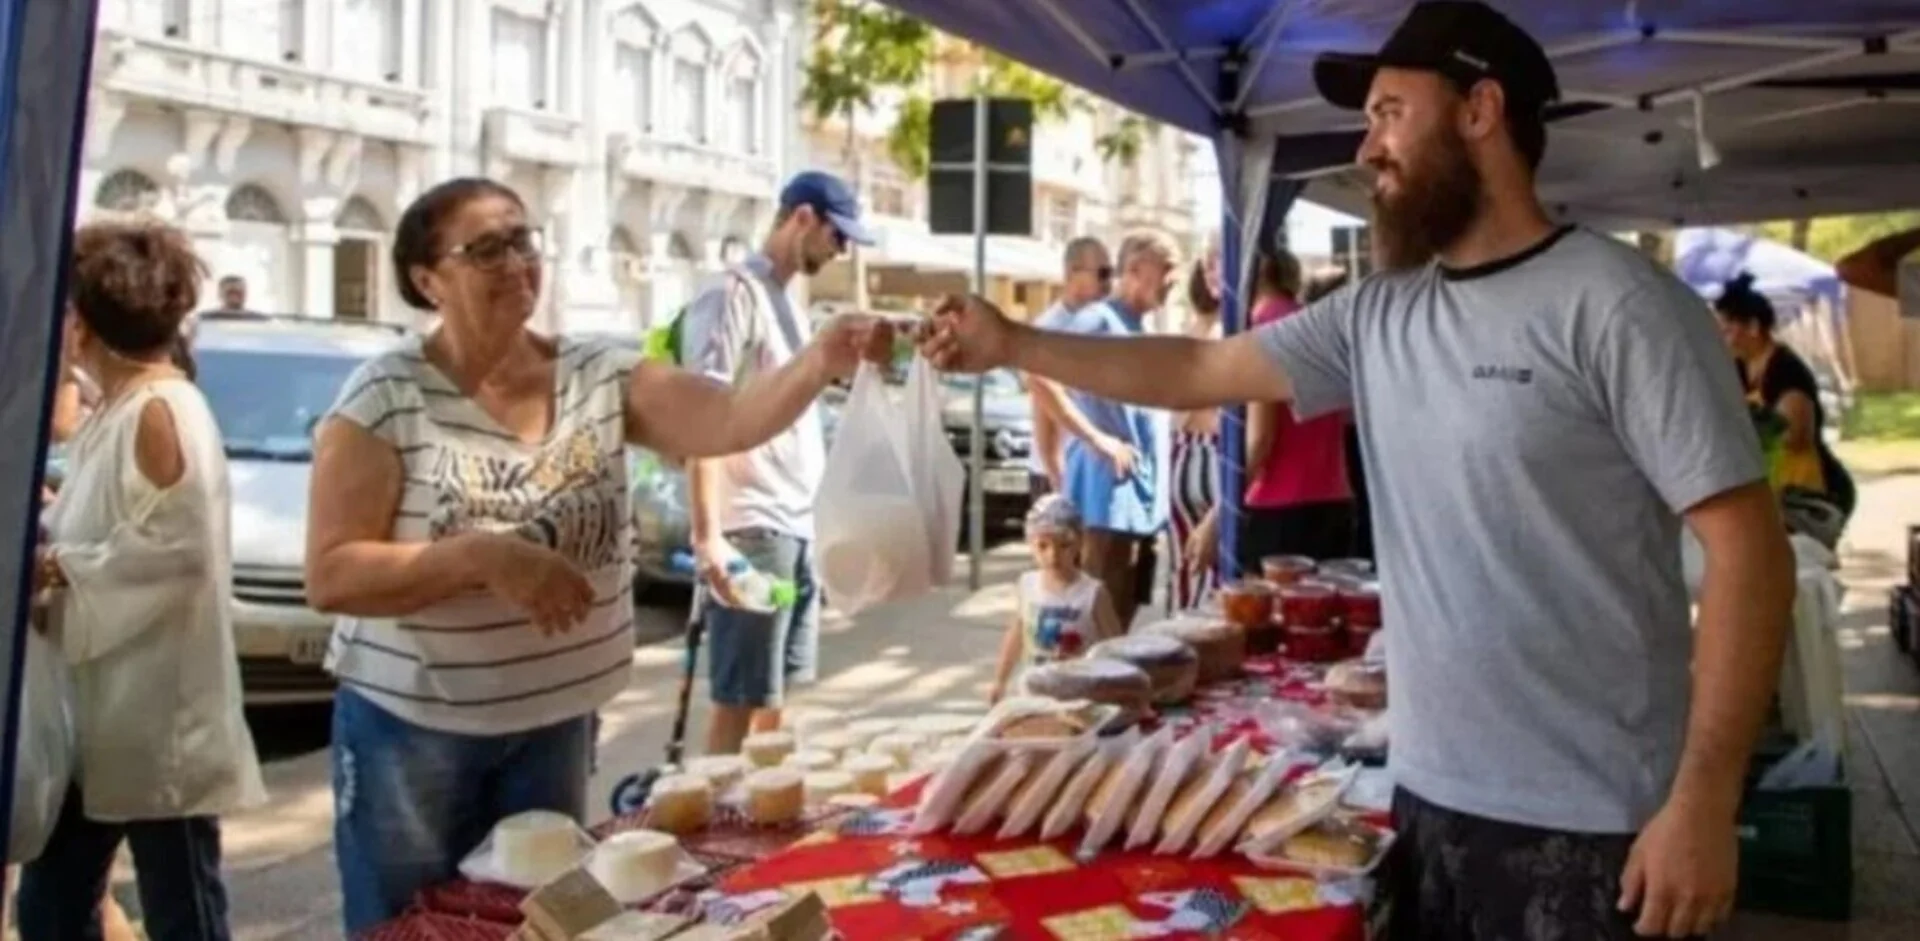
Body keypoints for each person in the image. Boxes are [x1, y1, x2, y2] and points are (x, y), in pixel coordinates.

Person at [917, 3, 1796, 938]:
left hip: (1599, 821)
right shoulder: (1378, 314)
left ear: (1479, 110)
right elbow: (1197, 369)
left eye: (1388, 112)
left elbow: (1750, 552)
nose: (1369, 145)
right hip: (1422, 794)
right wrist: (1016, 341)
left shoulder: (1619, 306)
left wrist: (1703, 799)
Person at [304, 176, 891, 934]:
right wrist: (483, 557)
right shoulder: (385, 393)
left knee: (544, 926)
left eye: (523, 240)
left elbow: (731, 418)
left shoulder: (598, 373)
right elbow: (332, 571)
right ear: (427, 279)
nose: (517, 262)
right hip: (416, 741)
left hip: (554, 723)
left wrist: (820, 359)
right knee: (412, 929)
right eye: (486, 249)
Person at [21, 218, 266, 941]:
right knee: (55, 904)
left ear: (82, 321)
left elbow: (175, 552)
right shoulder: (127, 405)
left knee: (182, 909)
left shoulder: (161, 408)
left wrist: (60, 566)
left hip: (163, 720)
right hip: (107, 713)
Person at [679, 170, 875, 757]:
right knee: (738, 701)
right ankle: (716, 826)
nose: (840, 251)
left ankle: (759, 817)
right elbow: (699, 415)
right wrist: (709, 536)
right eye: (837, 237)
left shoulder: (785, 302)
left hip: (795, 524)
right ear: (803, 218)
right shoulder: (732, 294)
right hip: (753, 528)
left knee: (776, 699)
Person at [1036, 230, 1179, 628]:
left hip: (1140, 503)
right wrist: (1095, 438)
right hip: (1105, 499)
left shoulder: (1139, 329)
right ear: (1134, 270)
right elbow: (1039, 373)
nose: (1173, 280)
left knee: (1123, 616)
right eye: (1166, 268)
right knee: (1096, 620)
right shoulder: (1098, 320)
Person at [1193, 246, 1355, 575]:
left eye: (1216, 258)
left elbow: (1260, 439)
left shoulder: (1261, 330)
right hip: (1333, 501)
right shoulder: (1312, 324)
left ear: (1259, 262)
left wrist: (1216, 518)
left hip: (1278, 511)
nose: (1208, 270)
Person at [1714, 271, 1855, 537]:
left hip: (1810, 491)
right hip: (1775, 488)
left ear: (1754, 327)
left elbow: (1795, 437)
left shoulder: (1785, 371)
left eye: (1727, 330)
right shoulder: (1738, 368)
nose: (1721, 339)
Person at [988, 495, 1124, 703]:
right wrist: (1000, 680)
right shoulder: (1027, 585)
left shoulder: (1092, 593)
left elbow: (1117, 649)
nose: (1053, 555)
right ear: (1030, 544)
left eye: (1064, 545)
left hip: (1080, 695)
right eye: (1043, 546)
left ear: (1079, 543)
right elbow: (1016, 633)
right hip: (1034, 691)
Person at [1025, 237, 1116, 496]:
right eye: (1103, 273)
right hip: (1058, 472)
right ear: (1072, 272)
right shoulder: (1050, 329)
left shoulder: (1102, 324)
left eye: (1111, 273)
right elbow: (1042, 402)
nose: (1109, 282)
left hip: (1092, 468)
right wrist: (1056, 470)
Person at [1168, 247, 1223, 609]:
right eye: (1209, 263)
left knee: (1195, 576)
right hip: (1202, 452)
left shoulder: (1193, 332)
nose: (1213, 271)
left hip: (1197, 453)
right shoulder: (1210, 330)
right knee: (1200, 580)